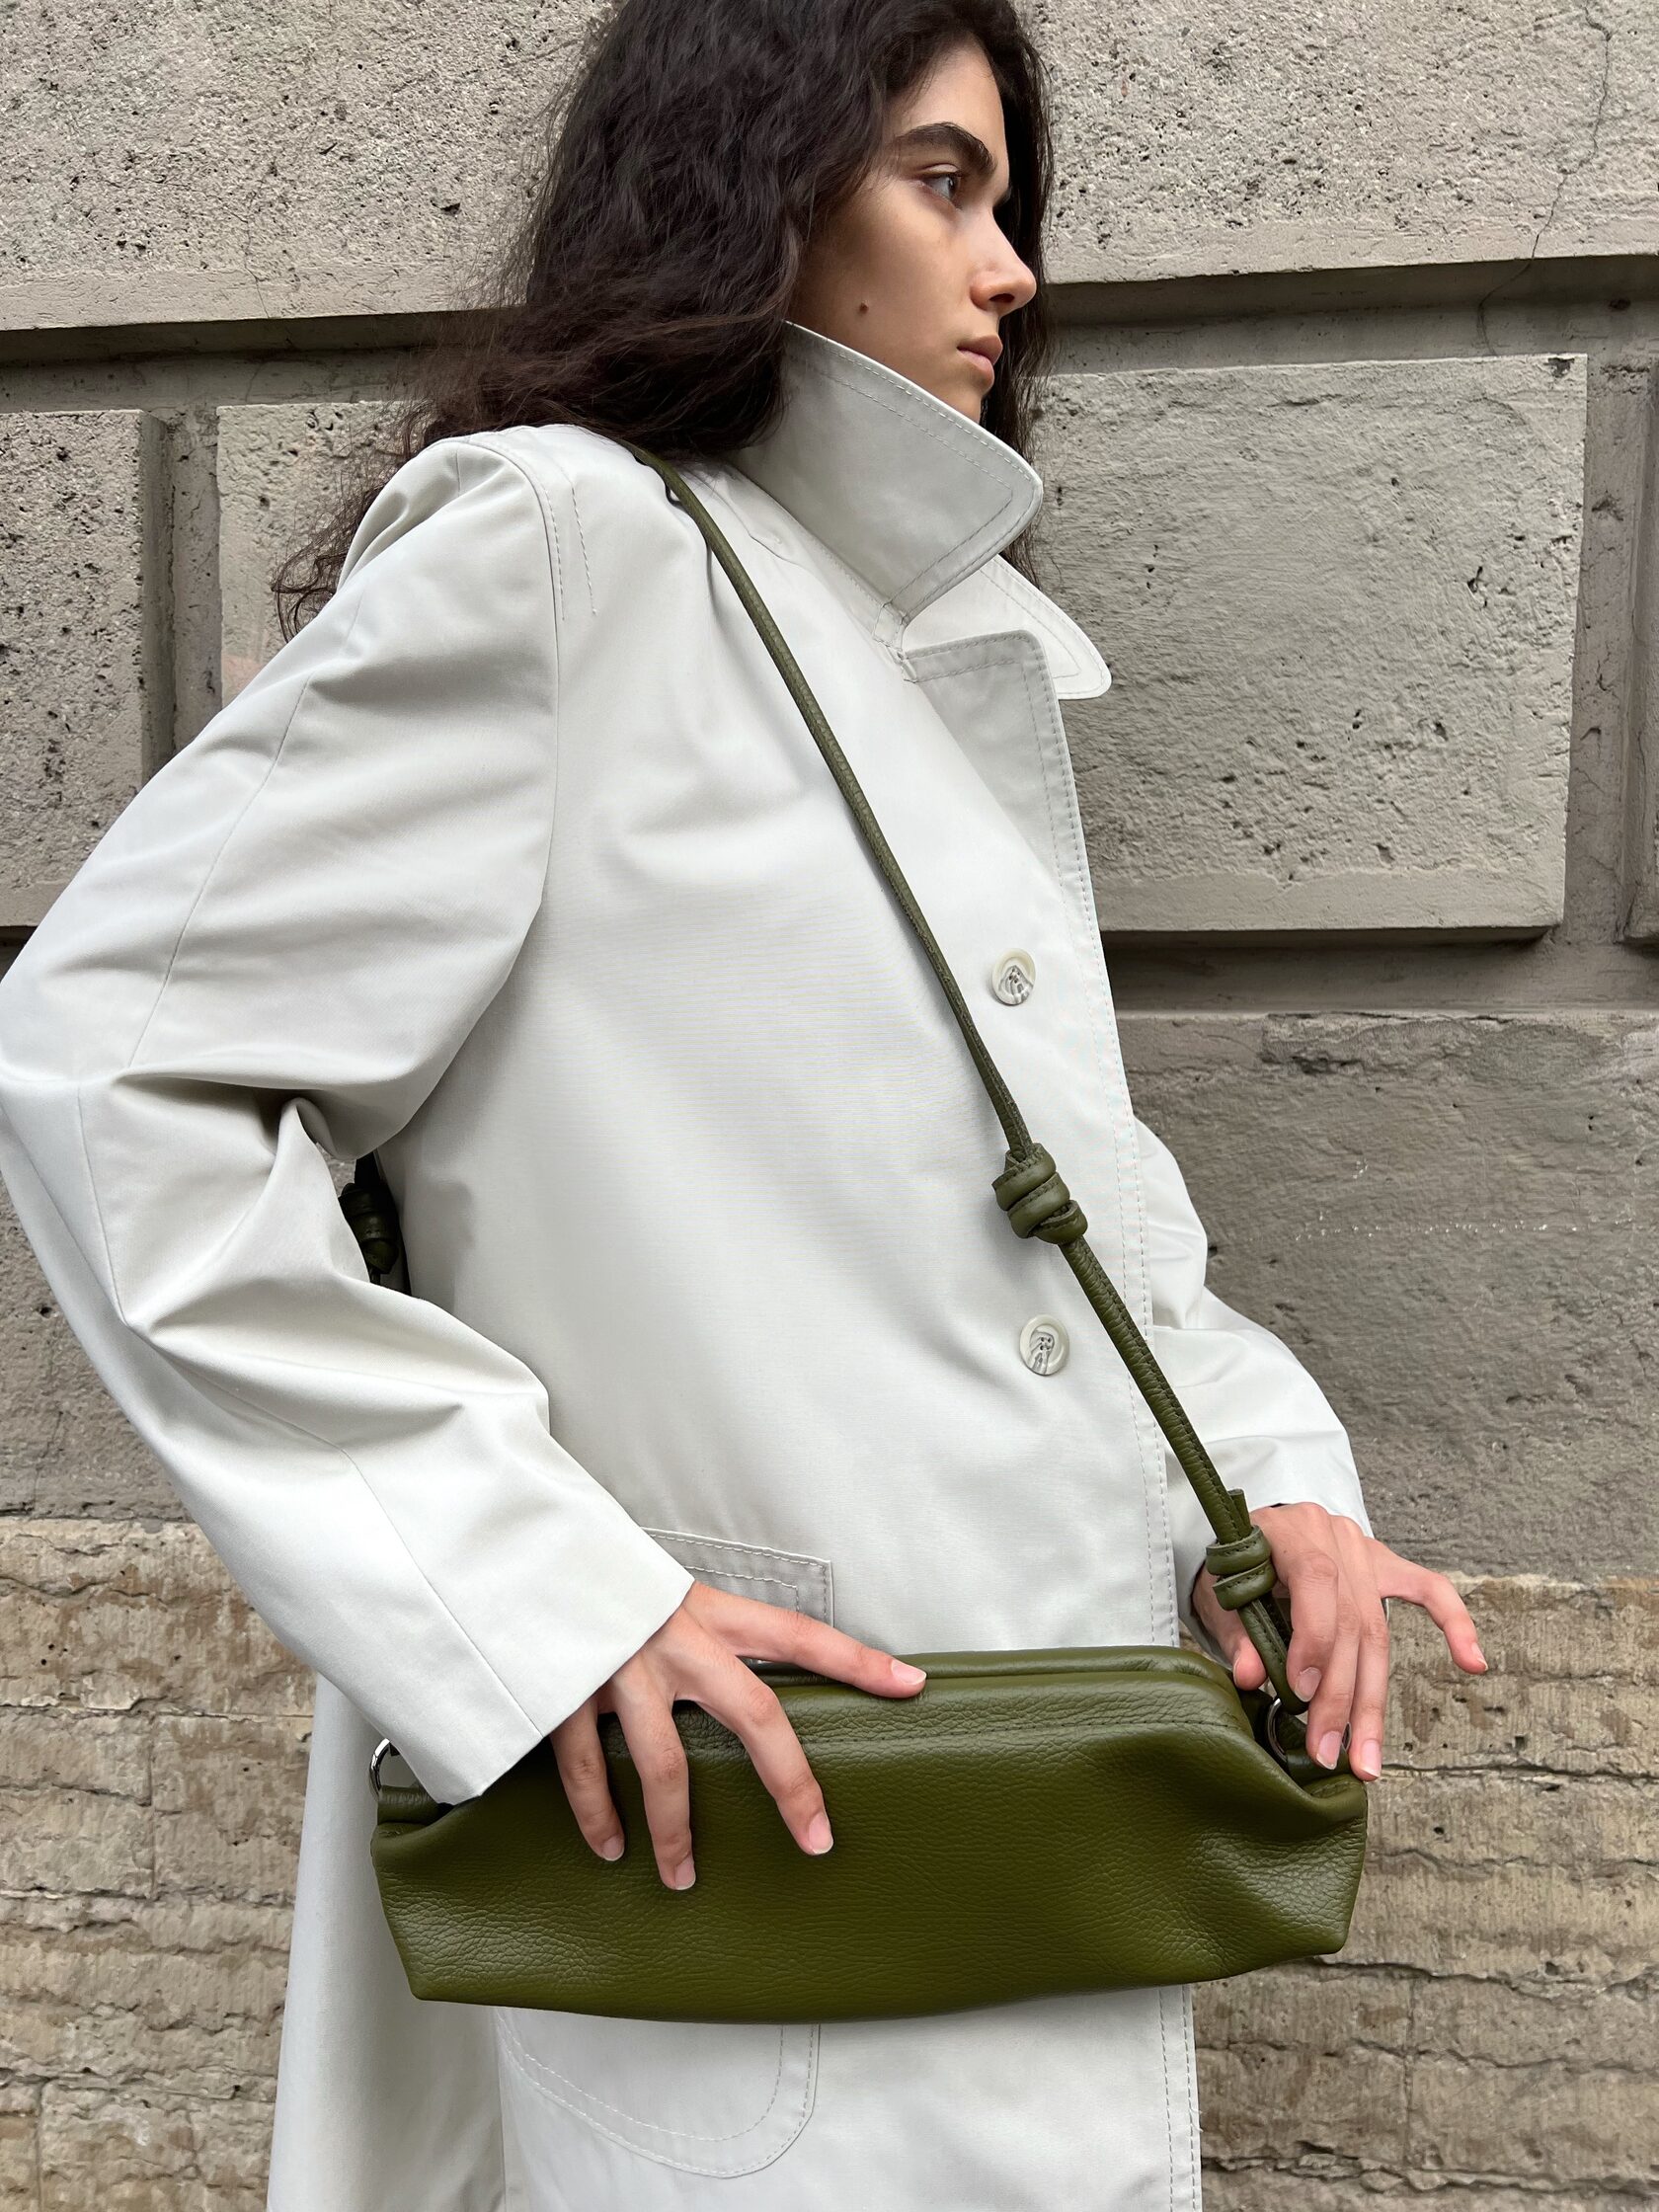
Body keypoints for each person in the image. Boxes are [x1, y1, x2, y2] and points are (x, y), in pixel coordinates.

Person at [0, 2, 1486, 2205]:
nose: (1012, 271)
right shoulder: (568, 546)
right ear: (760, 185)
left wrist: (1273, 1485)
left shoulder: (914, 638)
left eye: (1008, 200)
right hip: (738, 1835)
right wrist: (539, 1594)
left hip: (1021, 1818)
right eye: (941, 181)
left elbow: (1068, 1215)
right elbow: (112, 1058)